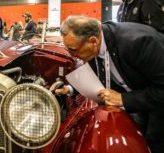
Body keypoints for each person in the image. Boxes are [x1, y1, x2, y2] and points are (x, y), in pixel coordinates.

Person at [53, 16, 164, 153]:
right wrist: (69, 89)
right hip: (138, 104)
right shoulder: (96, 45)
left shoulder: (138, 43)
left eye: (73, 50)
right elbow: (95, 74)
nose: (72, 55)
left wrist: (123, 99)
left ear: (93, 41)